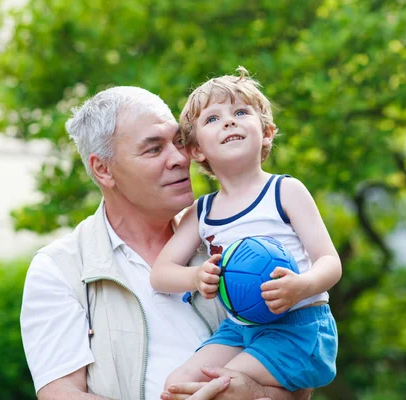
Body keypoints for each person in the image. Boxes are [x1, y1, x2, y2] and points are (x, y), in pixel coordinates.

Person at [19, 86, 311, 400]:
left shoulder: (231, 240)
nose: (179, 159)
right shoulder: (60, 269)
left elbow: (299, 373)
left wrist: (250, 392)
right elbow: (60, 394)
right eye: (154, 149)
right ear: (103, 169)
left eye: (179, 142)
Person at [151, 67, 341, 393]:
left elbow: (329, 261)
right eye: (212, 119)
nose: (229, 121)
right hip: (239, 329)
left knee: (220, 388)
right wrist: (195, 278)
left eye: (241, 112)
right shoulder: (202, 211)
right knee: (176, 385)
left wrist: (301, 285)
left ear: (266, 132)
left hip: (299, 329)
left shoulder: (285, 192)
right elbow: (161, 274)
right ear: (196, 150)